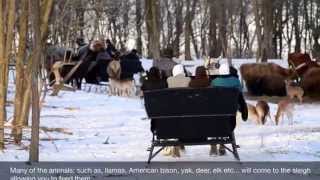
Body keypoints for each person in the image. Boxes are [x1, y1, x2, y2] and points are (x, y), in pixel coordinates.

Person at [210, 63, 248, 156]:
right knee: (225, 122)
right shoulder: (236, 81)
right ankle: (222, 144)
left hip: (216, 116)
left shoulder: (214, 82)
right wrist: (242, 110)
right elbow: (240, 98)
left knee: (216, 120)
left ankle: (214, 145)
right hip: (230, 119)